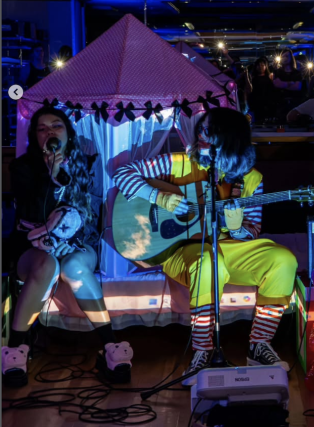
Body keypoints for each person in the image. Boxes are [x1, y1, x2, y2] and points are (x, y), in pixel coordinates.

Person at [113, 108, 297, 384]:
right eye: (201, 127)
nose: (201, 133)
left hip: (225, 246)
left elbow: (252, 231)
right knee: (209, 262)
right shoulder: (180, 162)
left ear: (231, 137)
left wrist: (236, 227)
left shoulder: (251, 179)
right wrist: (159, 197)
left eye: (210, 130)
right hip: (179, 250)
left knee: (283, 260)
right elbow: (123, 173)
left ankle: (259, 345)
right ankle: (203, 350)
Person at [4, 107, 132, 387]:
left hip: (77, 243)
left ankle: (110, 346)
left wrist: (68, 241)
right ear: (35, 137)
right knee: (47, 265)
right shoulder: (22, 168)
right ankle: (14, 351)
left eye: (56, 126)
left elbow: (91, 214)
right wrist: (51, 174)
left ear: (68, 134)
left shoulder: (86, 164)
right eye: (42, 129)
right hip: (33, 246)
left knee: (74, 267)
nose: (49, 132)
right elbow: (30, 213)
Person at [247, 57, 277, 122]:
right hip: (256, 104)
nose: (260, 67)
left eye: (262, 65)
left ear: (266, 66)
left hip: (268, 103)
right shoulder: (252, 78)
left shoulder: (270, 77)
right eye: (258, 65)